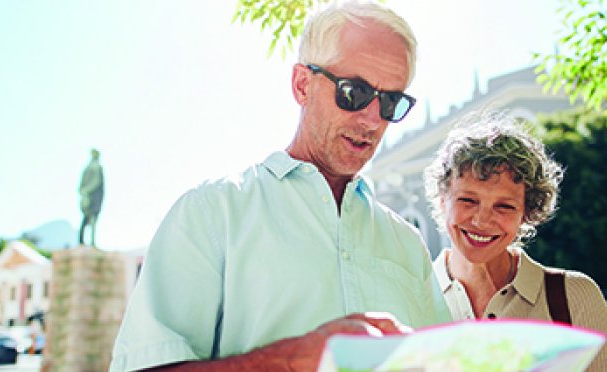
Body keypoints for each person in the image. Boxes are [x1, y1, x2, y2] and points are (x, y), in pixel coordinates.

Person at [110, 2, 450, 371]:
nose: (372, 120)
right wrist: (287, 361)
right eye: (354, 92)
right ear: (302, 85)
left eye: (390, 101)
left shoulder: (407, 244)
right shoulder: (212, 214)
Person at [424, 111, 607, 371]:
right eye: (468, 200)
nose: (481, 220)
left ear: (527, 213)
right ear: (443, 201)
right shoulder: (410, 295)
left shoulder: (573, 296)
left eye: (505, 206)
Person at [78, 148, 104, 247]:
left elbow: (81, 185)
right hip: (93, 197)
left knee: (87, 220)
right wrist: (87, 191)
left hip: (89, 195)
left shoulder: (88, 168)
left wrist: (84, 191)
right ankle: (89, 242)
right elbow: (97, 182)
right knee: (91, 219)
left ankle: (84, 242)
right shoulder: (96, 167)